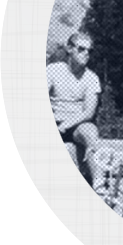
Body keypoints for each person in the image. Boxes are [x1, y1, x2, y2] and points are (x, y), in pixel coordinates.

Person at [47, 32, 104, 192]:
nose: (86, 53)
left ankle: (99, 183)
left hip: (77, 124)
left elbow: (88, 112)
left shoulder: (91, 78)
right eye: (81, 49)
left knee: (91, 132)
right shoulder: (53, 70)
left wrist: (65, 125)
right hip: (54, 119)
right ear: (70, 49)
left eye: (89, 50)